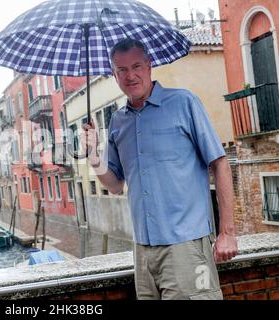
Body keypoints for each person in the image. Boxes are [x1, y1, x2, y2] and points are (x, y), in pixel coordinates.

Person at [82, 38, 238, 300]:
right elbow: (115, 185)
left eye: (136, 66)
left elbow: (220, 163)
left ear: (149, 65)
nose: (130, 75)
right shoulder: (118, 121)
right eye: (121, 70)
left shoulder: (184, 102)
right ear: (114, 74)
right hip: (142, 252)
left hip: (186, 247)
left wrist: (227, 233)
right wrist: (93, 156)